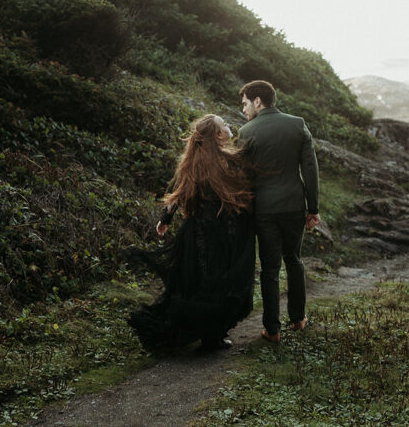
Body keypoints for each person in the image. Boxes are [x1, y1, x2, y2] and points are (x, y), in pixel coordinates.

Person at [128, 114, 255, 352]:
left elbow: (179, 192)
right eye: (224, 125)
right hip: (221, 233)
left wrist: (165, 219)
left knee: (204, 280)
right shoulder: (228, 160)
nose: (229, 127)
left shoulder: (196, 160)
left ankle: (210, 334)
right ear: (218, 135)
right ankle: (212, 335)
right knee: (221, 280)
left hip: (200, 232)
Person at [238, 79, 320, 342]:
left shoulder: (246, 131)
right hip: (294, 206)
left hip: (264, 209)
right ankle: (298, 319)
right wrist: (313, 208)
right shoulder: (297, 124)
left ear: (257, 101)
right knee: (294, 260)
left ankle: (272, 330)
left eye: (245, 104)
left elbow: (244, 178)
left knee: (270, 269)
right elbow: (310, 170)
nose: (243, 110)